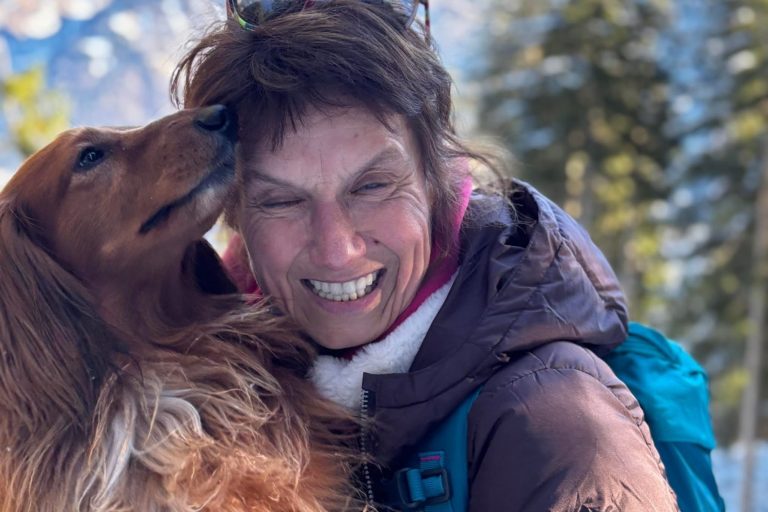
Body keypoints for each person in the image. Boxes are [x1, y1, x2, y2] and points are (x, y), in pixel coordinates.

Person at [171, 1, 680, 510]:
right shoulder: (201, 406)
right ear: (234, 213)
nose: (336, 250)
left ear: (439, 181)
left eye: (372, 186)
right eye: (281, 201)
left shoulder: (561, 431)